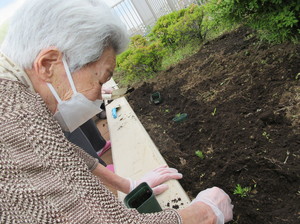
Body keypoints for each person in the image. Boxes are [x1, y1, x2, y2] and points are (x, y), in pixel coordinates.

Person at [0, 0, 233, 223]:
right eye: (101, 79)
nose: (100, 95)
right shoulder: (15, 119)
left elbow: (70, 155)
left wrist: (129, 185)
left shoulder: (17, 94)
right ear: (48, 64)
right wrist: (205, 214)